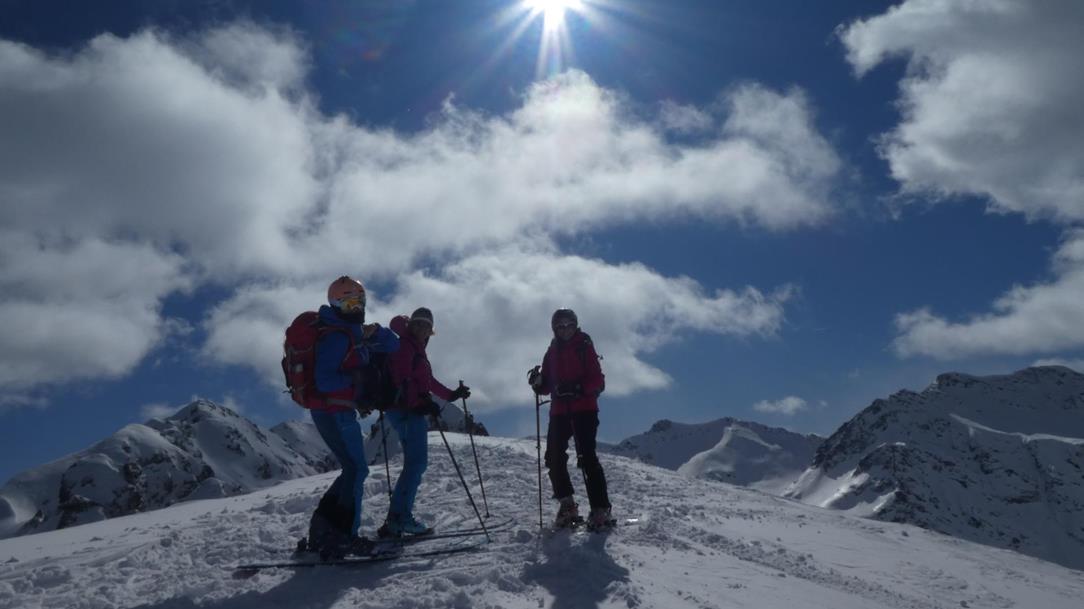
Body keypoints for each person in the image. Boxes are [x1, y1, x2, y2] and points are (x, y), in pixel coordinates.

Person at [306, 275, 399, 558]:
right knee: (357, 470)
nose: (355, 308)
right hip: (335, 412)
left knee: (352, 469)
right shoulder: (337, 336)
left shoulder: (352, 332)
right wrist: (357, 382)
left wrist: (376, 332)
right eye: (347, 303)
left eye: (358, 301)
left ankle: (324, 531)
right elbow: (324, 380)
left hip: (333, 411)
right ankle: (344, 535)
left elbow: (393, 345)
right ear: (335, 305)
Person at [378, 307, 471, 538]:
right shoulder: (405, 345)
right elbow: (403, 378)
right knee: (416, 464)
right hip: (407, 411)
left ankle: (396, 518)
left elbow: (427, 381)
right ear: (411, 325)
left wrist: (451, 395)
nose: (422, 329)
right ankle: (400, 519)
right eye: (418, 324)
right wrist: (419, 403)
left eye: (426, 326)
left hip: (405, 410)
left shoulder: (414, 348)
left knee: (414, 464)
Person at [529, 308, 612, 529]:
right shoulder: (552, 352)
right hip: (559, 411)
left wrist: (577, 388)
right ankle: (567, 505)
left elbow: (597, 379)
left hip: (584, 409)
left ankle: (600, 509)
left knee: (587, 457)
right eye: (561, 326)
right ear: (554, 329)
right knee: (553, 456)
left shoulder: (584, 345)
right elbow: (546, 385)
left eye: (569, 325)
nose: (565, 330)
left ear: (575, 326)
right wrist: (538, 383)